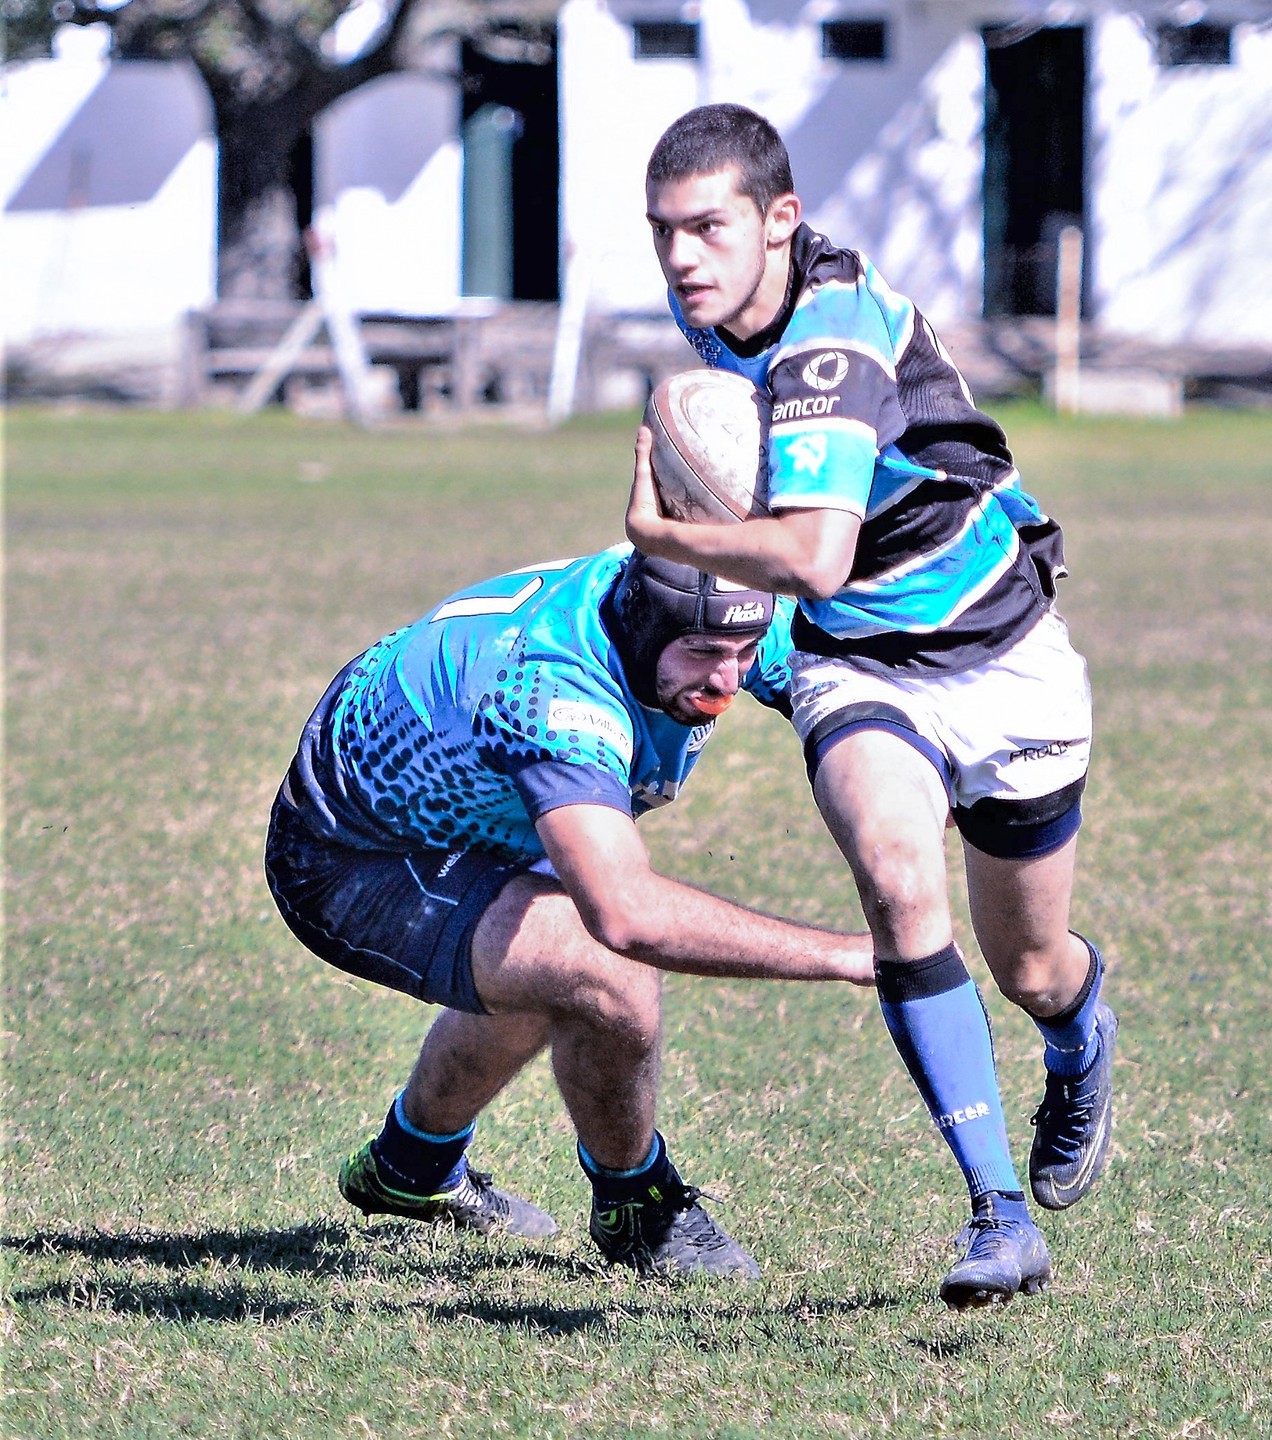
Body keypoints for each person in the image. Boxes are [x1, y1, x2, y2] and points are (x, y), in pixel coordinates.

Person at [625, 103, 1117, 1309]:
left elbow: (814, 557)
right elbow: (827, 599)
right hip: (863, 667)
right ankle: (1000, 1216)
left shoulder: (829, 345)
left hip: (1005, 667)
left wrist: (659, 532)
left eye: (709, 227)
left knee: (1032, 963)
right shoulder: (725, 326)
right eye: (663, 232)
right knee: (899, 884)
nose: (684, 257)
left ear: (781, 221)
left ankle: (1078, 1032)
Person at [264, 545, 874, 1278]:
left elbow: (844, 695)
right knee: (604, 970)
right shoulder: (551, 694)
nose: (727, 680)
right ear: (642, 628)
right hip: (356, 852)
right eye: (706, 655)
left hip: (479, 815)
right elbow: (628, 917)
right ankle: (638, 1206)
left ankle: (409, 1166)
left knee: (550, 957)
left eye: (744, 652)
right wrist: (846, 956)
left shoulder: (715, 604)